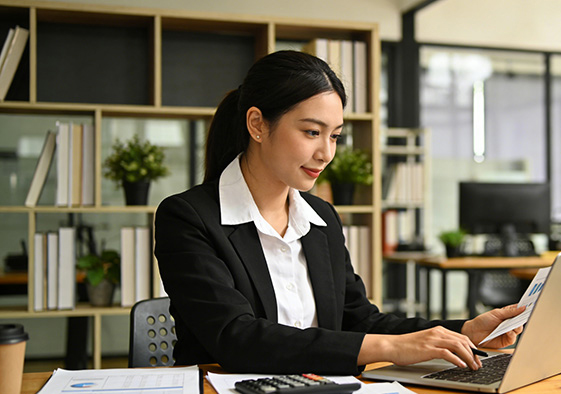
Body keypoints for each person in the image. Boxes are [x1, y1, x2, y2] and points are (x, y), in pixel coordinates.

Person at [154, 50, 525, 375]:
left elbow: (359, 320)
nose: (326, 153)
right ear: (257, 124)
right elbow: (237, 337)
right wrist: (389, 348)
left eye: (334, 136)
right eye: (312, 132)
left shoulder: (321, 218)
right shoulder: (188, 217)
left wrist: (464, 331)